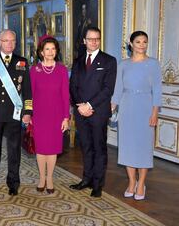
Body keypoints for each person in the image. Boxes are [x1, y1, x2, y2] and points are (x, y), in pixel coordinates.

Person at [0, 29, 32, 196]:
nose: (9, 44)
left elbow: (27, 90)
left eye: (13, 41)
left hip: (14, 114)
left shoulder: (22, 62)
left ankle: (13, 183)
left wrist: (28, 111)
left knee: (14, 150)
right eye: (6, 40)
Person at [111, 31, 161, 200]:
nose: (142, 45)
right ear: (131, 44)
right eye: (138, 42)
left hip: (146, 107)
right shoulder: (123, 64)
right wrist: (111, 108)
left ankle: (141, 184)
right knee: (128, 146)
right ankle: (132, 182)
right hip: (127, 107)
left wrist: (155, 112)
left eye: (144, 42)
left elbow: (157, 91)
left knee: (143, 147)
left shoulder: (153, 64)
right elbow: (117, 89)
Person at [69, 26, 117, 197]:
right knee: (86, 147)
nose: (94, 42)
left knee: (99, 147)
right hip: (81, 112)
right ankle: (86, 179)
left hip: (98, 112)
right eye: (90, 39)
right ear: (84, 41)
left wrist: (89, 105)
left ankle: (98, 184)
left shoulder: (109, 61)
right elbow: (72, 86)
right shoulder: (78, 61)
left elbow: (107, 89)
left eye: (97, 38)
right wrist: (79, 105)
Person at [30, 36, 70, 194]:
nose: (50, 52)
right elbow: (31, 94)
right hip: (39, 114)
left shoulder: (61, 70)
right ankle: (41, 178)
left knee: (52, 148)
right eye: (47, 49)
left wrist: (66, 117)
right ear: (41, 51)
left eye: (53, 49)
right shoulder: (34, 70)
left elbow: (65, 95)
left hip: (57, 114)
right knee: (41, 148)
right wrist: (29, 115)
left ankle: (50, 178)